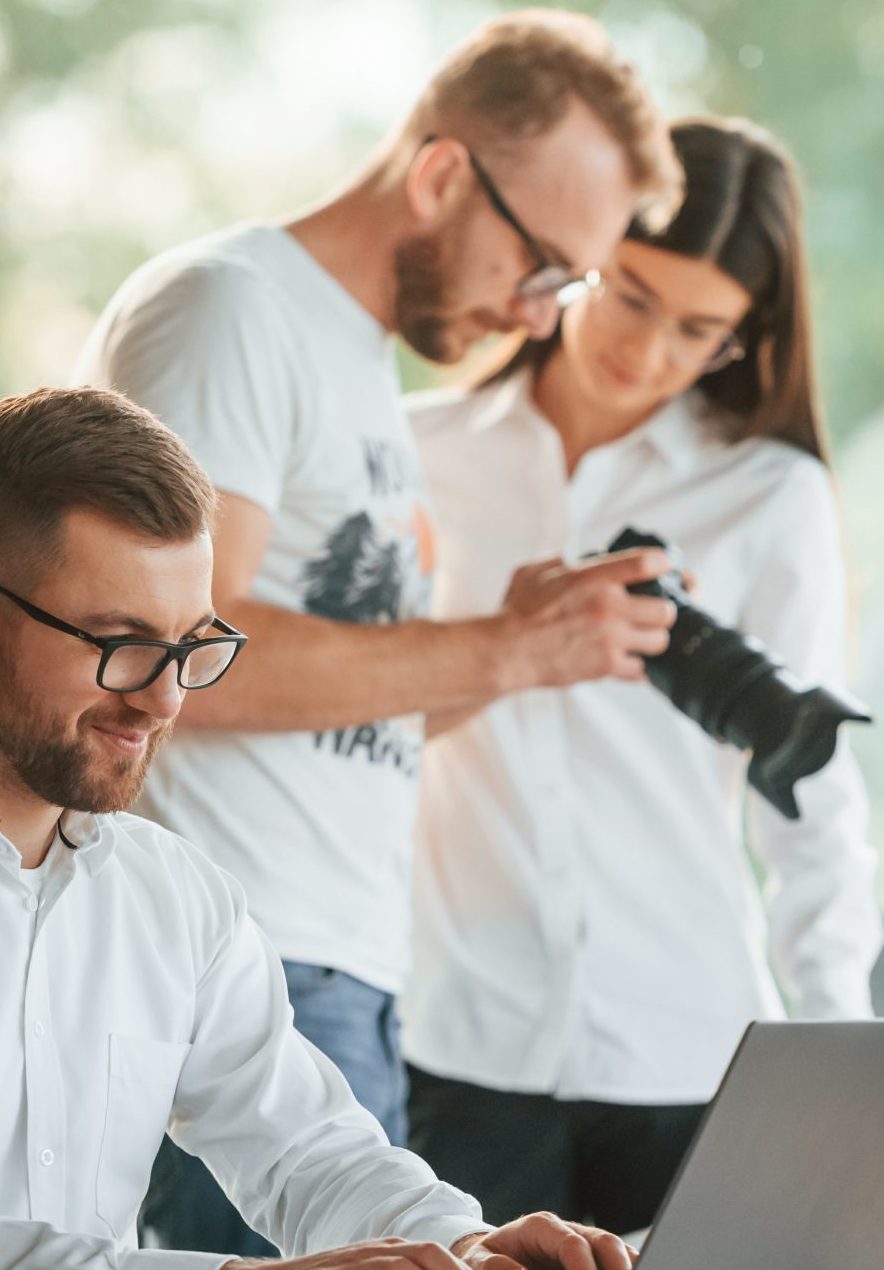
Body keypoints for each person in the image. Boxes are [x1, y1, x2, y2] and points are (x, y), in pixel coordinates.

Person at [72, 9, 682, 1254]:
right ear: (443, 172)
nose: (543, 314)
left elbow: (352, 687)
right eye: (544, 266)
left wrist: (529, 640)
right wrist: (501, 649)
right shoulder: (232, 311)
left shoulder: (359, 370)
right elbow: (174, 654)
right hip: (238, 978)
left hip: (338, 979)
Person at [0, 385, 642, 1270]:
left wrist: (466, 1244)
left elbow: (305, 1147)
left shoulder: (173, 899)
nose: (164, 697)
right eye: (121, 642)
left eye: (192, 645)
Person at [401, 114, 884, 1237]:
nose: (648, 352)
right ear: (581, 254)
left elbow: (807, 785)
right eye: (630, 296)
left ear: (746, 334)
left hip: (686, 1048)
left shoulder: (767, 492)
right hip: (459, 1038)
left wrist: (838, 1053)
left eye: (699, 330)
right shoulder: (424, 453)